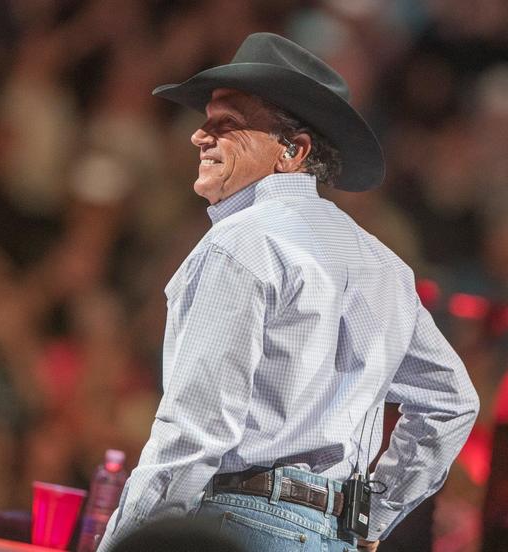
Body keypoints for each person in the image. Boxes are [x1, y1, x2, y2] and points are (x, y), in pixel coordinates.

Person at [96, 33, 479, 552]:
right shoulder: (385, 266)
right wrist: (373, 515)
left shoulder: (241, 244)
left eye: (226, 123)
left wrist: (126, 543)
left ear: (293, 150)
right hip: (333, 535)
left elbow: (193, 432)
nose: (198, 136)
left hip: (237, 523)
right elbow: (450, 403)